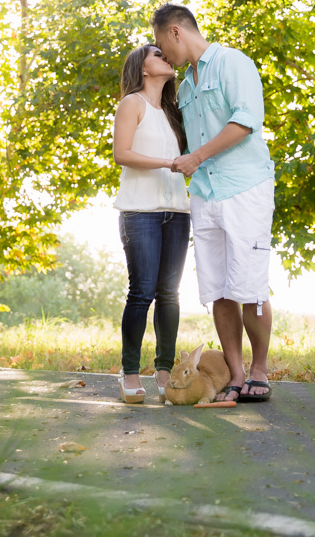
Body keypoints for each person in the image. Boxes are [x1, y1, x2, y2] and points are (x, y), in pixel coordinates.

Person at [151, 3, 276, 403]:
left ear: (175, 32)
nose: (164, 56)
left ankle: (259, 369)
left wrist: (197, 157)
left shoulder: (233, 63)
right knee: (219, 289)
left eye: (161, 45)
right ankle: (236, 374)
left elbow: (244, 121)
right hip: (205, 195)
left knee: (251, 286)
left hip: (245, 188)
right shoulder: (186, 85)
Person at [112, 44, 191, 404]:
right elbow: (122, 154)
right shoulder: (132, 103)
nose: (166, 58)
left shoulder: (173, 112)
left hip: (177, 212)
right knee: (142, 292)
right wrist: (167, 163)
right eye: (158, 54)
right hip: (140, 212)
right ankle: (130, 372)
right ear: (143, 68)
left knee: (170, 295)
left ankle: (164, 371)